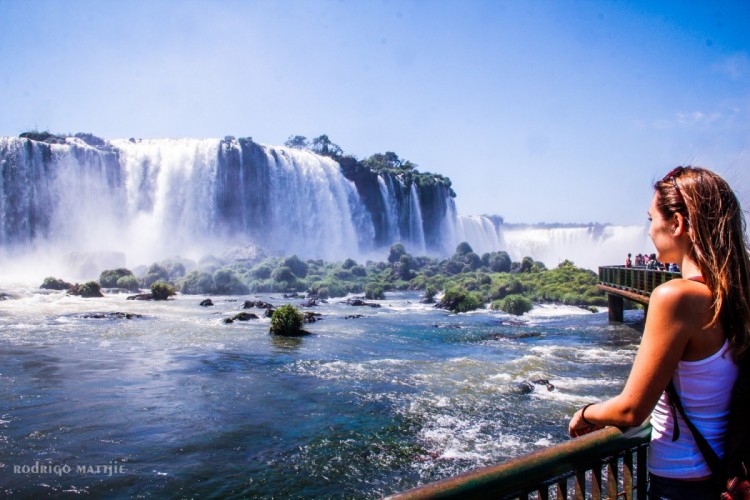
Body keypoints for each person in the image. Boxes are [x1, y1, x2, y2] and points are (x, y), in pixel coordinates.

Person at [568, 166, 750, 499]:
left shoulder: (675, 297)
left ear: (677, 224)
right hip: (726, 475)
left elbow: (632, 411)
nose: (649, 230)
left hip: (682, 482)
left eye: (651, 219)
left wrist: (584, 413)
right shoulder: (736, 295)